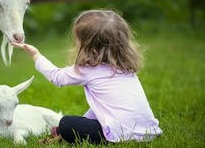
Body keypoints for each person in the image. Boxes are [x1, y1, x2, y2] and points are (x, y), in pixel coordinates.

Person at [13, 9, 162, 144]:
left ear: (92, 49)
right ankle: (62, 133)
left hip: (118, 135)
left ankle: (62, 133)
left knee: (66, 123)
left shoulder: (88, 69)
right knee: (75, 123)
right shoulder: (127, 69)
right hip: (147, 132)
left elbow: (56, 77)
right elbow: (103, 110)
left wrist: (35, 55)